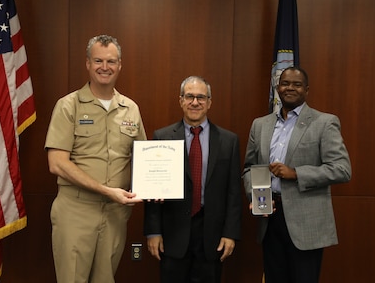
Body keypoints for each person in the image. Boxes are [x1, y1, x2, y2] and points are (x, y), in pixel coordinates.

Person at [45, 34, 147, 283]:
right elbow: (57, 163)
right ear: (88, 64)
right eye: (98, 60)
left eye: (111, 61)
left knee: (105, 279)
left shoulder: (130, 108)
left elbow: (144, 158)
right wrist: (106, 190)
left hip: (115, 213)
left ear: (120, 65)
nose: (105, 67)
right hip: (76, 210)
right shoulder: (69, 106)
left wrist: (155, 186)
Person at [242, 66, 352, 283]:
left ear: (307, 90)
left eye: (297, 84)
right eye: (285, 83)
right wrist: (255, 196)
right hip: (269, 219)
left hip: (306, 224)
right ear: (278, 88)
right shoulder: (260, 125)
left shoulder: (324, 122)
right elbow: (249, 168)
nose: (290, 88)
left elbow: (342, 169)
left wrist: (296, 174)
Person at [144, 76, 242, 283]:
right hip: (173, 234)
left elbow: (234, 192)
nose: (195, 102)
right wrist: (153, 231)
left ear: (209, 102)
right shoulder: (162, 137)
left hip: (212, 236)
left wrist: (230, 234)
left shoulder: (228, 141)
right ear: (180, 100)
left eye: (200, 97)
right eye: (189, 96)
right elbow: (152, 190)